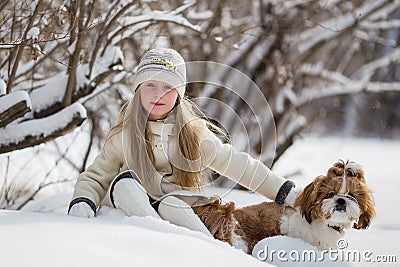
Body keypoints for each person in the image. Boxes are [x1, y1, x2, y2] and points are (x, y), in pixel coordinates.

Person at [68, 48, 298, 236]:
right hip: (129, 202)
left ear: (179, 94)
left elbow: (238, 164)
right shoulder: (124, 135)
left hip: (171, 205)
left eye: (168, 87)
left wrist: (282, 190)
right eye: (150, 85)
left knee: (173, 205)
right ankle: (153, 235)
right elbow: (96, 177)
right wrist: (83, 200)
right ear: (138, 89)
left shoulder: (193, 135)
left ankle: (206, 250)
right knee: (125, 183)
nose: (158, 94)